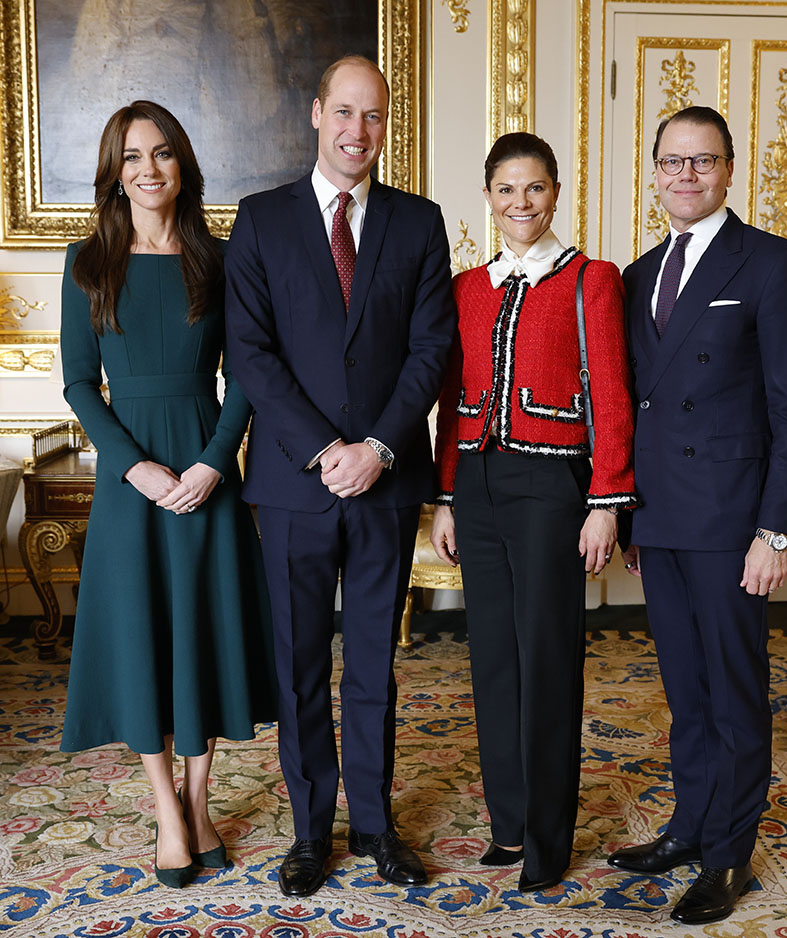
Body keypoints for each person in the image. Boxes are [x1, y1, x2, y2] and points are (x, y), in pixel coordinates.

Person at [225, 55, 455, 897]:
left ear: (387, 125)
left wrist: (380, 449)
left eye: (376, 116)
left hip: (386, 483)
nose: (361, 131)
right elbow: (249, 352)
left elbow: (432, 350)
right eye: (346, 112)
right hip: (293, 484)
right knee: (296, 665)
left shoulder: (419, 222)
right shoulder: (260, 220)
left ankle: (376, 825)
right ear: (317, 113)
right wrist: (328, 449)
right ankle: (309, 832)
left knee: (373, 665)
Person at [608, 106, 787, 924]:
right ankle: (690, 826)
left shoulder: (771, 263)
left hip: (734, 524)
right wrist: (627, 515)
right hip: (660, 519)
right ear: (654, 171)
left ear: (730, 169)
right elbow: (634, 403)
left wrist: (774, 532)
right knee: (685, 692)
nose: (685, 176)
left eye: (703, 162)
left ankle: (728, 855)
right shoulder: (637, 273)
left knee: (735, 694)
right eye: (672, 161)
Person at [59, 101, 277, 889]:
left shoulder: (220, 262)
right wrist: (135, 468)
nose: (148, 169)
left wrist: (217, 461)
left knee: (203, 636)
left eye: (161, 154)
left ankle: (200, 799)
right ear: (114, 173)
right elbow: (81, 384)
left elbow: (248, 373)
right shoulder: (87, 264)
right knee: (147, 638)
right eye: (132, 157)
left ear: (182, 165)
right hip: (133, 482)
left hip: (205, 473)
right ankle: (165, 809)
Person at [430, 132, 637, 892]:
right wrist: (448, 495)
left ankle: (549, 841)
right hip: (479, 487)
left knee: (547, 659)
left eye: (536, 188)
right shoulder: (467, 288)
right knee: (492, 660)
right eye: (507, 189)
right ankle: (507, 824)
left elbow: (612, 396)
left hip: (553, 490)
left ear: (556, 192)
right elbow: (452, 398)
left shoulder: (592, 280)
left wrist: (607, 503)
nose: (522, 203)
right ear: (487, 195)